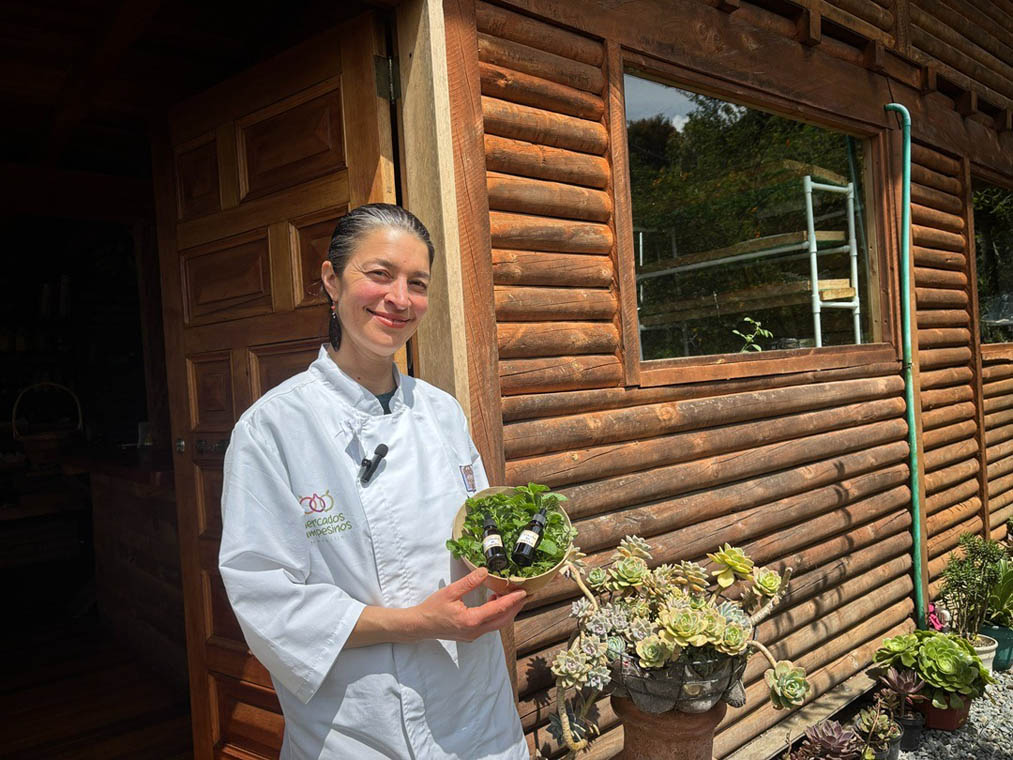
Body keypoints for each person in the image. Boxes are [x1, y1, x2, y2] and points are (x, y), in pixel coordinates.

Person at [219, 204, 529, 759]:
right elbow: (265, 598)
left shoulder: (441, 411)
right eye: (379, 274)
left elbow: (485, 530)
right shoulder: (274, 428)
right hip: (358, 724)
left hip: (476, 709)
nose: (400, 299)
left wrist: (524, 564)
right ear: (331, 280)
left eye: (417, 283)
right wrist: (414, 623)